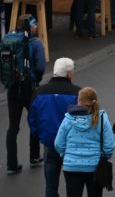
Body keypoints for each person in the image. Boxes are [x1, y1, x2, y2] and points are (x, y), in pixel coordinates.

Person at [29, 57, 82, 197]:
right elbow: (83, 119)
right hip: (71, 145)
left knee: (51, 186)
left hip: (49, 142)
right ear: (69, 73)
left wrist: (40, 136)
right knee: (73, 185)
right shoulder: (77, 92)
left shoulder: (39, 92)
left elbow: (32, 119)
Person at [3, 14, 47, 175]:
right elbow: (41, 66)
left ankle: (11, 164)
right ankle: (34, 156)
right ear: (31, 26)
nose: (36, 27)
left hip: (13, 88)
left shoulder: (8, 39)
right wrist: (36, 79)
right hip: (29, 88)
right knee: (34, 121)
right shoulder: (35, 43)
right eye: (35, 24)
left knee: (13, 127)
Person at [55, 87, 115, 197]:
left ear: (79, 101)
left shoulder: (68, 118)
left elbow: (58, 143)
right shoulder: (101, 118)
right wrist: (105, 156)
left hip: (71, 166)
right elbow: (109, 145)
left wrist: (65, 155)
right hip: (95, 166)